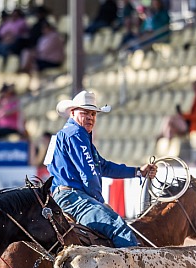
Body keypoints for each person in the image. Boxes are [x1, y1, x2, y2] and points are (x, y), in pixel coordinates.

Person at [48, 90, 157, 248]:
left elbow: (102, 166)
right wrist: (100, 201)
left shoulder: (70, 135)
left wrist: (138, 171)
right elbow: (89, 175)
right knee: (119, 228)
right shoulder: (76, 134)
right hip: (73, 198)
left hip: (65, 196)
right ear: (72, 112)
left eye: (93, 114)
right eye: (85, 112)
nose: (90, 117)